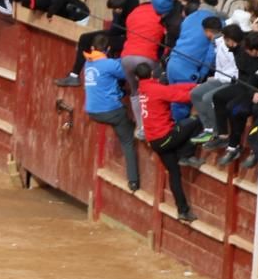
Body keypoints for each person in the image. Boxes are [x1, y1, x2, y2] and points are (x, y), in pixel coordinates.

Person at [130, 62, 203, 223]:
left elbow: (172, 89)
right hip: (165, 137)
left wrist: (194, 85)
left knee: (174, 173)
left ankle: (183, 211)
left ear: (137, 77)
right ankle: (186, 154)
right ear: (152, 74)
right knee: (195, 122)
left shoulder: (143, 89)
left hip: (155, 141)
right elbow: (182, 96)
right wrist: (198, 89)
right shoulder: (156, 89)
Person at [81, 34, 138, 192]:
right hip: (111, 111)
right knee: (127, 141)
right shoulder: (110, 64)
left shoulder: (88, 63)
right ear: (108, 49)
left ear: (92, 48)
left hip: (92, 111)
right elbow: (127, 72)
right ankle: (133, 181)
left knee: (124, 124)